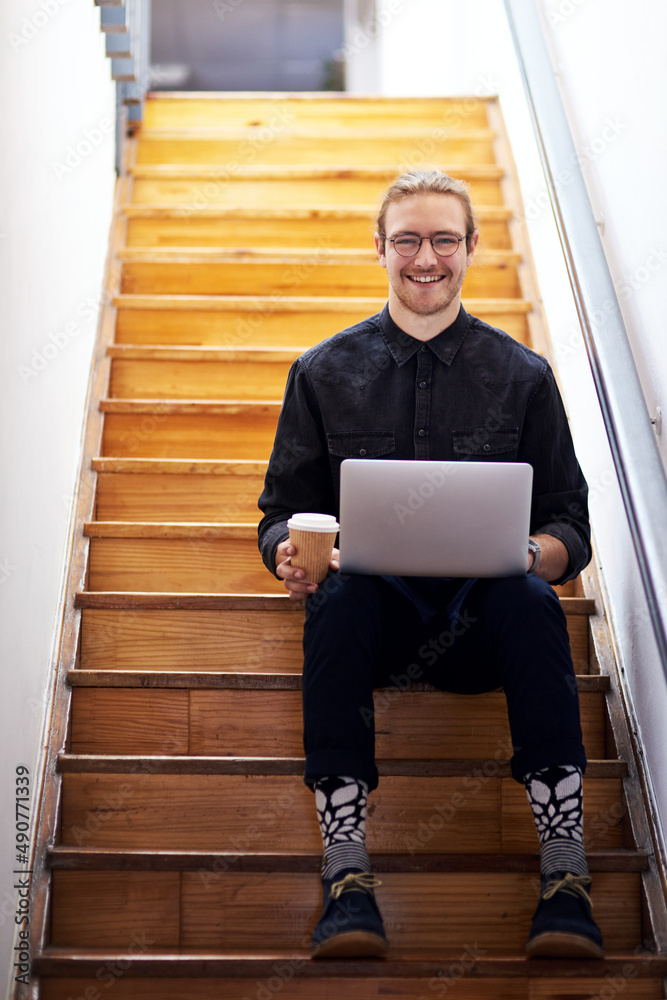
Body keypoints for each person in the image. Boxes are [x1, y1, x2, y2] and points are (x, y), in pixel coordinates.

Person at [257, 169, 604, 960]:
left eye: (443, 239)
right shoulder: (320, 371)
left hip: (484, 630)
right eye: (407, 239)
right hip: (370, 625)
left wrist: (529, 553)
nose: (425, 257)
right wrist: (287, 552)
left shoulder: (522, 376)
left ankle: (565, 874)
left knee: (529, 595)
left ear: (471, 248)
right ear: (379, 248)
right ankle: (345, 875)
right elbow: (279, 511)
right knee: (337, 599)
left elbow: (568, 524)